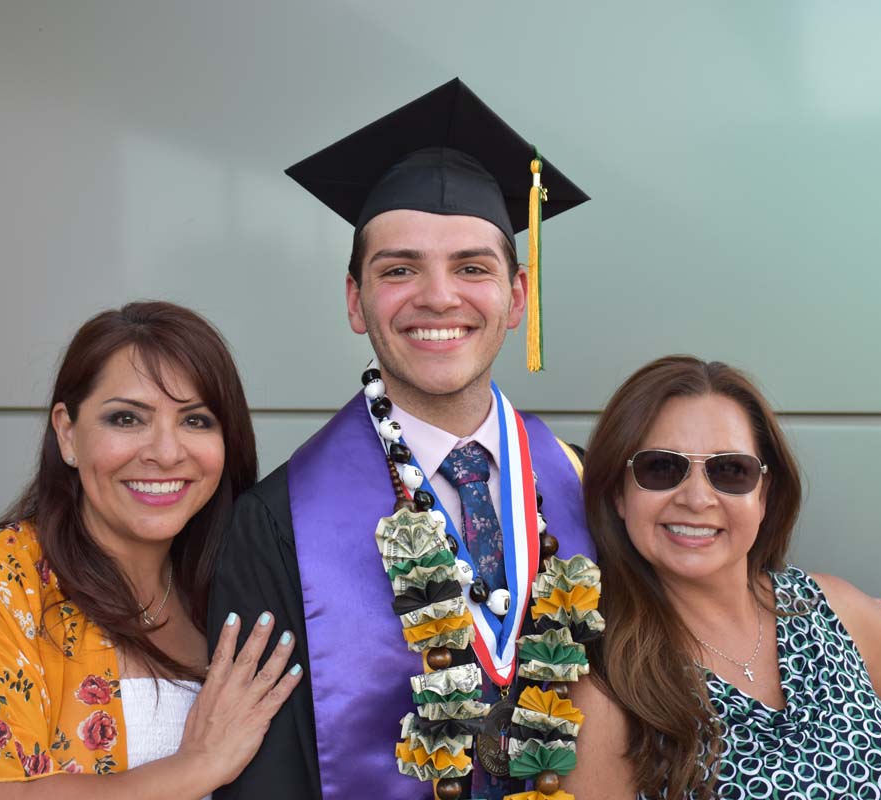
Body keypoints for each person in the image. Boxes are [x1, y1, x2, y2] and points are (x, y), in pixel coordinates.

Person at [209, 79, 599, 800]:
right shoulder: (276, 525)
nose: (439, 297)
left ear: (517, 297)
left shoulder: (586, 486)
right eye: (399, 269)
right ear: (356, 300)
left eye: (472, 267)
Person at [0, 301, 303, 800]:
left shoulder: (236, 585)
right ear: (67, 433)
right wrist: (198, 766)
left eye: (196, 421)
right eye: (127, 419)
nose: (166, 452)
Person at [564, 355, 881, 799]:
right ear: (619, 495)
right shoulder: (603, 690)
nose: (697, 498)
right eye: (662, 468)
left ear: (764, 494)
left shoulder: (834, 610)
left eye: (730, 471)